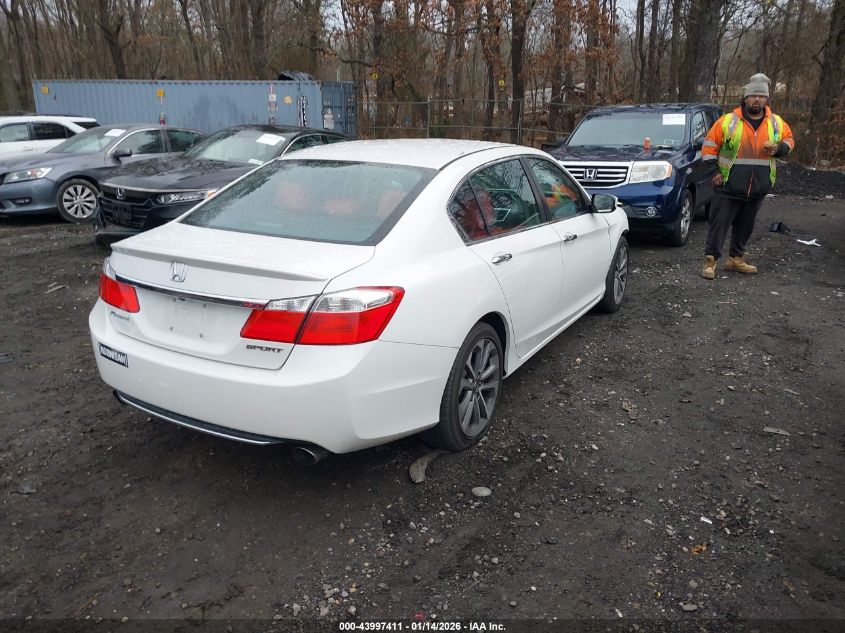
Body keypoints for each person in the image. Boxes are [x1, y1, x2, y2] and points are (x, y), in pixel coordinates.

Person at [700, 73, 795, 280]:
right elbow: (708, 147)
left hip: (757, 188)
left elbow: (789, 141)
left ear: (767, 99)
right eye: (753, 96)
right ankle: (710, 262)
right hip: (727, 186)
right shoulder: (728, 122)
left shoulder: (776, 123)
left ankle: (736, 259)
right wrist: (714, 172)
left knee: (745, 227)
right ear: (745, 98)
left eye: (761, 96)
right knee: (719, 226)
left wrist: (779, 148)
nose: (757, 100)